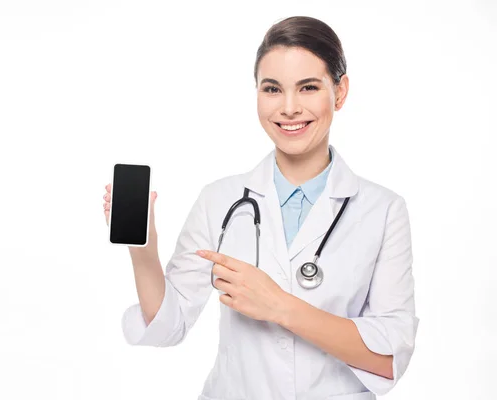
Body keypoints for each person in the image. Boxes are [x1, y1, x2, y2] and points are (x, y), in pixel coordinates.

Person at [103, 16, 418, 400]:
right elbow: (167, 327)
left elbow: (389, 357)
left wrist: (279, 306)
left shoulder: (383, 210)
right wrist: (144, 249)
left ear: (340, 92)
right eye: (272, 89)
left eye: (308, 87)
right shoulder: (218, 199)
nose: (288, 108)